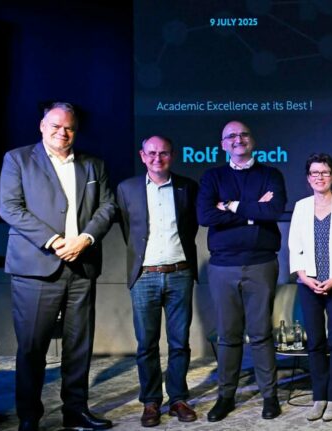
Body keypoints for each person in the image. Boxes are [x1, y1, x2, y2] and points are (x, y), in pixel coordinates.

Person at [0, 102, 116, 431]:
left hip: (82, 265)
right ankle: (29, 416)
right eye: (55, 126)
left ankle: (75, 411)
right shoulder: (18, 159)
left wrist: (86, 239)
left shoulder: (93, 164)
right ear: (42, 126)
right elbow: (9, 207)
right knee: (32, 348)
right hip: (36, 268)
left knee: (79, 346)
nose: (62, 133)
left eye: (69, 128)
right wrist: (53, 241)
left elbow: (108, 206)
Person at [197, 120, 288, 422]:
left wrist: (230, 206)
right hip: (223, 266)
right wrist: (251, 211)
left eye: (244, 134)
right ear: (223, 144)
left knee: (261, 334)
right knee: (228, 335)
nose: (238, 139)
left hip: (261, 263)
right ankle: (226, 397)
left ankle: (269, 396)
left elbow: (273, 210)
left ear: (252, 140)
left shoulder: (270, 174)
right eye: (231, 136)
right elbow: (206, 215)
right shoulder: (212, 176)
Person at [116, 135, 200, 427]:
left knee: (179, 342)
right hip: (145, 276)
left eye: (163, 153)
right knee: (146, 344)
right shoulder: (127, 188)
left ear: (172, 156)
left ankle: (178, 399)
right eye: (151, 153)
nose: (157, 158)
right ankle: (151, 401)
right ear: (142, 156)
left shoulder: (187, 186)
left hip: (180, 273)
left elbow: (191, 227)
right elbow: (128, 229)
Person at [288, 153, 332, 422]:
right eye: (314, 173)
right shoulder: (301, 206)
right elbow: (295, 245)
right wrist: (304, 276)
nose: (320, 177)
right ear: (308, 178)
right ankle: (319, 396)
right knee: (315, 341)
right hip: (309, 283)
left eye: (325, 172)